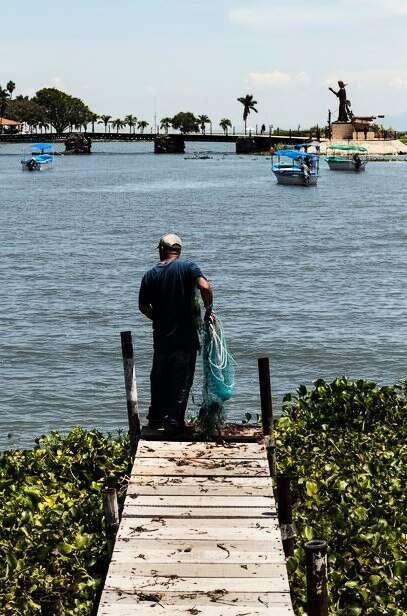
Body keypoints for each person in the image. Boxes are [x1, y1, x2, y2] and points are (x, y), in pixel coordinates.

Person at [139, 233, 214, 436]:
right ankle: (174, 423)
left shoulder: (150, 274)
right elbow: (205, 286)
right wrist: (208, 309)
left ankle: (155, 418)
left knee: (159, 377)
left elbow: (143, 306)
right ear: (178, 251)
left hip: (161, 338)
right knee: (181, 380)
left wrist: (158, 319)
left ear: (162, 250)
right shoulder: (188, 267)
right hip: (185, 338)